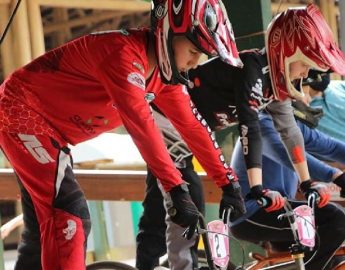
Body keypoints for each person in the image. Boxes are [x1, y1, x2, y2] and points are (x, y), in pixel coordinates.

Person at [0, 0, 247, 269]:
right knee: (68, 215)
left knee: (42, 229)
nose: (193, 63)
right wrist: (176, 189)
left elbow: (193, 126)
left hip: (51, 132)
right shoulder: (123, 55)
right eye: (192, 51)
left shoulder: (164, 79)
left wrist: (229, 184)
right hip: (22, 113)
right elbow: (140, 124)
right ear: (168, 33)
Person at [135, 4, 345, 270]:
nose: (305, 74)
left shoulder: (274, 85)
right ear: (288, 54)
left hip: (191, 133)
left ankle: (147, 263)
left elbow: (291, 134)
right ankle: (176, 266)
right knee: (186, 200)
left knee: (159, 206)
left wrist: (307, 183)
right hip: (166, 121)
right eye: (305, 66)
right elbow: (250, 127)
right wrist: (256, 188)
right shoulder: (253, 69)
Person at [229, 117, 345, 269]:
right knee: (335, 218)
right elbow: (290, 156)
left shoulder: (292, 126)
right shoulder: (261, 123)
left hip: (280, 211)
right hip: (252, 213)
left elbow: (332, 148)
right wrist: (336, 176)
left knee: (333, 253)